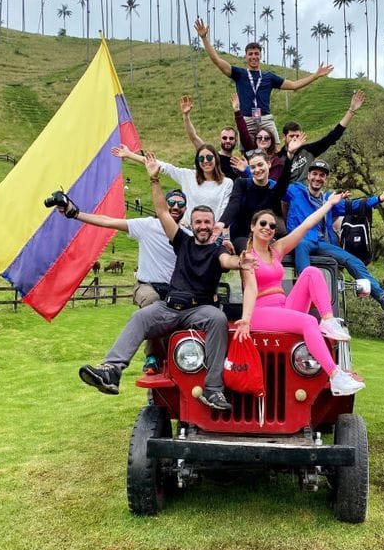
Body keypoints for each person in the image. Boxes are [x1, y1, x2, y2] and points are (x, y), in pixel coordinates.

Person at [76, 153, 254, 411]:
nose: (203, 226)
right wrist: (155, 179)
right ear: (190, 225)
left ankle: (213, 388)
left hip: (198, 310)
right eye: (198, 222)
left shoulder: (217, 251)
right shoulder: (182, 241)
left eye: (207, 222)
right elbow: (161, 211)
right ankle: (112, 370)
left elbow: (228, 261)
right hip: (169, 307)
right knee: (140, 317)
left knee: (216, 319)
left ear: (213, 225)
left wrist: (241, 262)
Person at [234, 202, 365, 397]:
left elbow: (305, 225)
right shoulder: (248, 256)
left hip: (283, 306)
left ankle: (329, 320)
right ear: (253, 226)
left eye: (272, 226)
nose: (267, 228)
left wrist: (328, 204)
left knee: (312, 271)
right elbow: (251, 288)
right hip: (260, 311)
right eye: (262, 223)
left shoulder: (276, 250)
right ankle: (335, 375)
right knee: (309, 321)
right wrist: (245, 318)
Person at [57, 186, 189, 376]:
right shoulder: (147, 225)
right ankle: (151, 355)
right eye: (171, 202)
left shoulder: (188, 235)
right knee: (153, 305)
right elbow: (108, 221)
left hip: (175, 291)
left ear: (185, 208)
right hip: (147, 285)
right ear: (163, 205)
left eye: (181, 203)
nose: (175, 206)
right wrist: (75, 213)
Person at [284, 159, 384, 318]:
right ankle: (305, 299)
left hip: (322, 244)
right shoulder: (295, 191)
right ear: (308, 176)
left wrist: (379, 199)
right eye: (314, 174)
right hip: (300, 240)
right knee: (302, 248)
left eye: (321, 175)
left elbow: (354, 206)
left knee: (353, 261)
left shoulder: (329, 199)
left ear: (325, 179)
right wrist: (246, 169)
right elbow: (271, 185)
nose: (317, 178)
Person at [195, 17, 333, 143]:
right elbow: (217, 61)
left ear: (261, 56)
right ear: (245, 57)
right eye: (250, 54)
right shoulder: (239, 74)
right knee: (248, 153)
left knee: (274, 149)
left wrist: (315, 76)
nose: (253, 57)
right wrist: (204, 39)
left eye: (256, 54)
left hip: (265, 119)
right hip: (247, 119)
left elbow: (294, 85)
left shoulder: (269, 77)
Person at [113, 141, 233, 232]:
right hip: (187, 231)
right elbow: (160, 166)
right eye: (201, 158)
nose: (206, 161)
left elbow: (225, 210)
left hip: (211, 232)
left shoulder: (227, 183)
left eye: (209, 157)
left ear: (216, 159)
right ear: (197, 161)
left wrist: (220, 232)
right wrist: (129, 154)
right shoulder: (188, 176)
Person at [215, 132, 305, 252]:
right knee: (252, 254)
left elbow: (283, 182)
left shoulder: (273, 189)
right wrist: (222, 222)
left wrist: (290, 156)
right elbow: (234, 204)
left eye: (260, 165)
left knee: (294, 247)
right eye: (252, 167)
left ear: (268, 164)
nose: (257, 170)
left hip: (266, 236)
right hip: (242, 236)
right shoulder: (242, 184)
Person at [276, 91, 365, 183]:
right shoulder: (278, 158)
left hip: (308, 192)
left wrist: (351, 110)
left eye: (297, 136)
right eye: (291, 136)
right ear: (284, 136)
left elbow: (332, 137)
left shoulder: (308, 150)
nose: (295, 139)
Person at [180, 94, 240, 181]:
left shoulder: (236, 163)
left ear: (236, 140)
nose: (227, 141)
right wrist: (186, 116)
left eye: (231, 138)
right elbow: (193, 137)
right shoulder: (211, 156)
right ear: (220, 139)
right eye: (224, 138)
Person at [230, 93, 284, 181]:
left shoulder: (276, 161)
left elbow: (269, 184)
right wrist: (237, 111)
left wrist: (247, 170)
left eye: (266, 138)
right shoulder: (251, 151)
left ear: (272, 141)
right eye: (259, 137)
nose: (263, 140)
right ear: (256, 140)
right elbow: (243, 132)